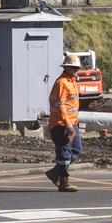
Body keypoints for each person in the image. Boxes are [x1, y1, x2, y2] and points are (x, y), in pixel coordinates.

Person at [45, 53, 83, 191]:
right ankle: (64, 182)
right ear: (66, 67)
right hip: (61, 125)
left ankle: (55, 172)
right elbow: (60, 104)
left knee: (76, 150)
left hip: (72, 123)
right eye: (72, 67)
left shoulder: (72, 81)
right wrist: (67, 124)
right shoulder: (61, 83)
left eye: (76, 68)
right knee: (64, 153)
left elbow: (71, 104)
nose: (75, 70)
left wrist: (74, 123)